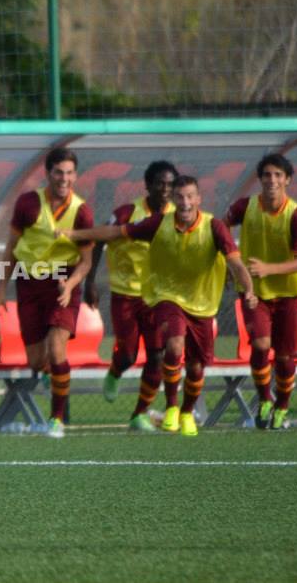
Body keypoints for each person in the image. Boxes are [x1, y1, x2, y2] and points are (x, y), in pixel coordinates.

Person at [61, 175, 258, 436]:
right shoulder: (156, 222)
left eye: (190, 197)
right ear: (173, 200)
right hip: (165, 295)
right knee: (172, 345)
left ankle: (187, 412)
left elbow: (235, 262)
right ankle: (172, 407)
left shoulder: (214, 227)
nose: (185, 203)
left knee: (197, 366)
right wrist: (76, 233)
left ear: (199, 199)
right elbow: (115, 232)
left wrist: (249, 290)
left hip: (202, 303)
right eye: (180, 197)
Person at [0, 148, 94, 438]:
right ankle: (55, 377)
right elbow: (10, 249)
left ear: (76, 175)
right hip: (28, 283)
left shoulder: (82, 211)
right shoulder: (27, 203)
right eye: (59, 172)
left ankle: (57, 420)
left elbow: (86, 261)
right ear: (48, 173)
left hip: (63, 283)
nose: (64, 178)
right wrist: (0, 289)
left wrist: (71, 285)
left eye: (70, 172)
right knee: (37, 360)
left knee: (56, 346)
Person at [83, 161, 178, 406]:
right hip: (125, 295)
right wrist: (90, 281)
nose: (165, 189)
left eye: (170, 185)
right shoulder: (127, 213)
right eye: (160, 183)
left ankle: (141, 413)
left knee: (157, 355)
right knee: (127, 355)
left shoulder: (178, 216)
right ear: (148, 186)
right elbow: (99, 240)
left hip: (158, 297)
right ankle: (115, 372)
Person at [224, 154, 297, 430]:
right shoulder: (244, 206)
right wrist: (230, 262)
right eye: (267, 175)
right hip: (253, 293)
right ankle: (264, 400)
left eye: (277, 175)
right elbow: (219, 229)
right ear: (260, 179)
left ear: (287, 180)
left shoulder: (296, 214)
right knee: (260, 345)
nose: (272, 180)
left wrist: (268, 269)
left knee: (284, 357)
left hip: (286, 295)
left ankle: (282, 406)